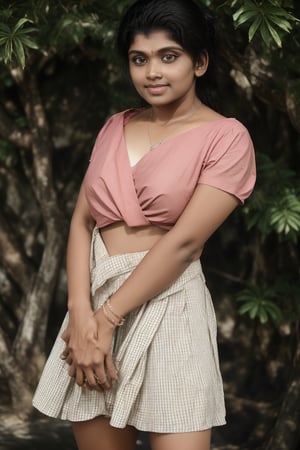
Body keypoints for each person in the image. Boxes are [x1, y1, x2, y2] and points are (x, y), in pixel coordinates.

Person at [33, 0, 256, 449]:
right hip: (93, 309)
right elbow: (81, 222)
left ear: (200, 63)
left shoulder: (227, 137)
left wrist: (108, 318)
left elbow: (184, 242)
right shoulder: (115, 126)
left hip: (170, 306)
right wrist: (81, 318)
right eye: (140, 59)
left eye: (168, 56)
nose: (153, 71)